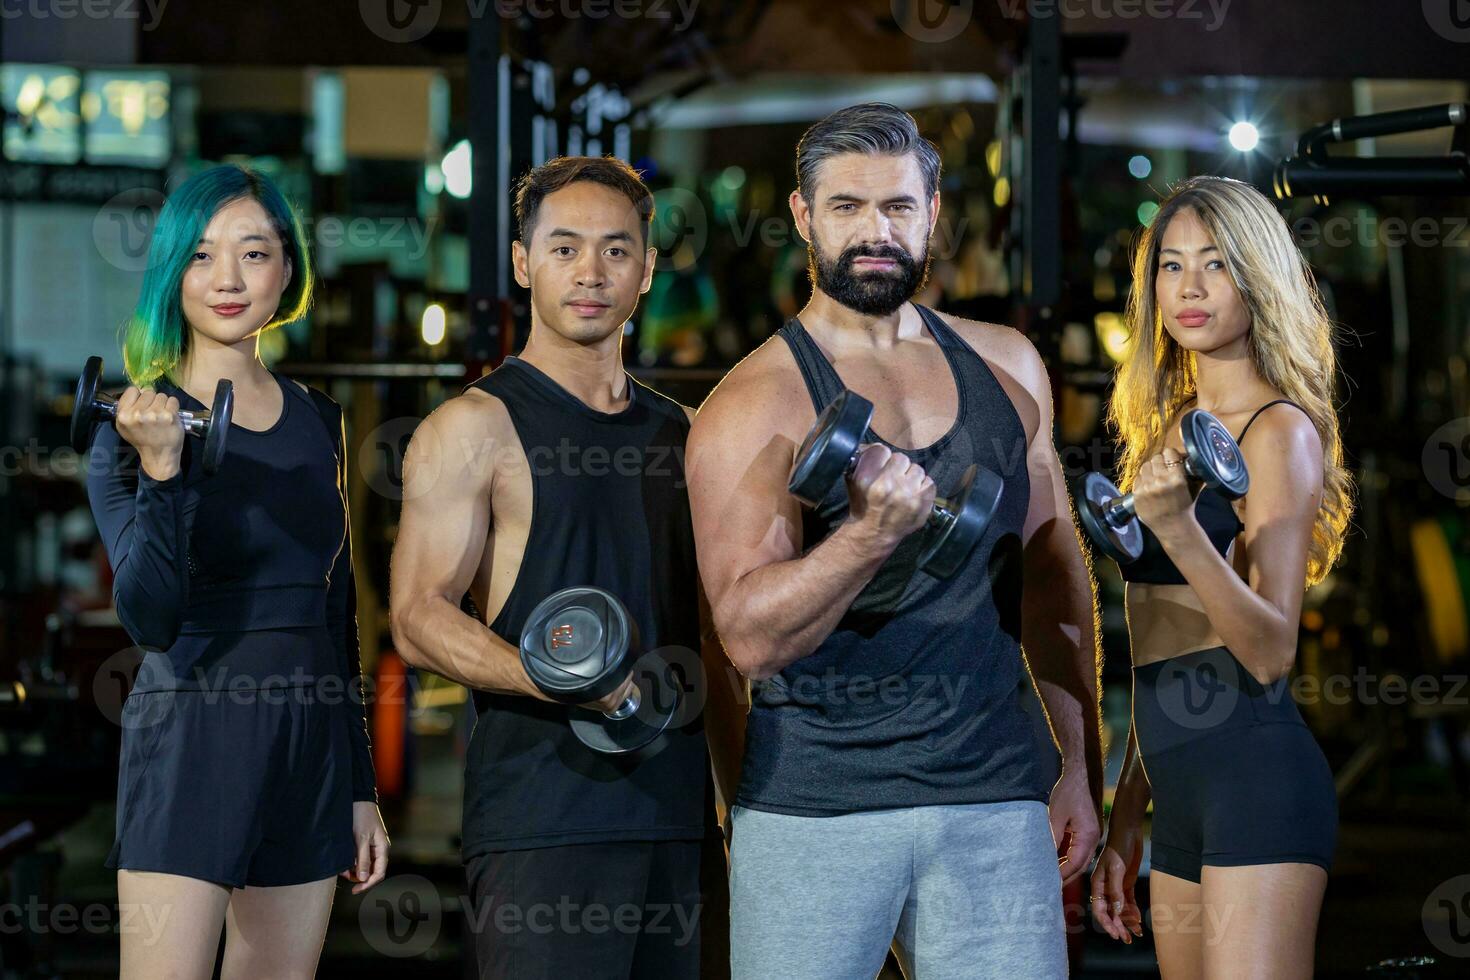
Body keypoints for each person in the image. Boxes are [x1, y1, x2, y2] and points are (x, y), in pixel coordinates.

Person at [686, 102, 1103, 978]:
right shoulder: (754, 405)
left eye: (898, 208)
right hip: (815, 808)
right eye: (846, 208)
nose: (875, 232)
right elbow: (749, 638)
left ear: (933, 211)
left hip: (993, 798)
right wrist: (868, 536)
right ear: (803, 218)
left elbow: (1053, 576)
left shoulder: (1011, 367)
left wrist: (1078, 763)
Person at [389, 155, 742, 980]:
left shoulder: (687, 434)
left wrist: (738, 803)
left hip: (677, 816)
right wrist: (559, 677)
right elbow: (417, 614)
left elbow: (716, 639)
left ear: (648, 269)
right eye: (565, 248)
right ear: (522, 263)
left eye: (617, 251)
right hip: (546, 818)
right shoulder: (471, 427)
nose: (591, 271)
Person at [84, 163, 389, 980]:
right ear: (171, 271)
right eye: (202, 256)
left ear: (286, 269)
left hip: (307, 745)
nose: (228, 279)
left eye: (253, 254)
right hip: (190, 739)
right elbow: (148, 618)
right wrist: (161, 474)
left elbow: (337, 614)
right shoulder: (123, 432)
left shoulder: (319, 420)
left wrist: (359, 785)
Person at [1088, 175, 1352, 978]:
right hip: (1177, 794)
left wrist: (1175, 529)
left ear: (1257, 280)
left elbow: (1270, 651)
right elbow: (1161, 640)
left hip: (1256, 782)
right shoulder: (1163, 433)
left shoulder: (1280, 434)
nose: (1190, 287)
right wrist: (1127, 812)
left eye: (1216, 264)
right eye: (1171, 266)